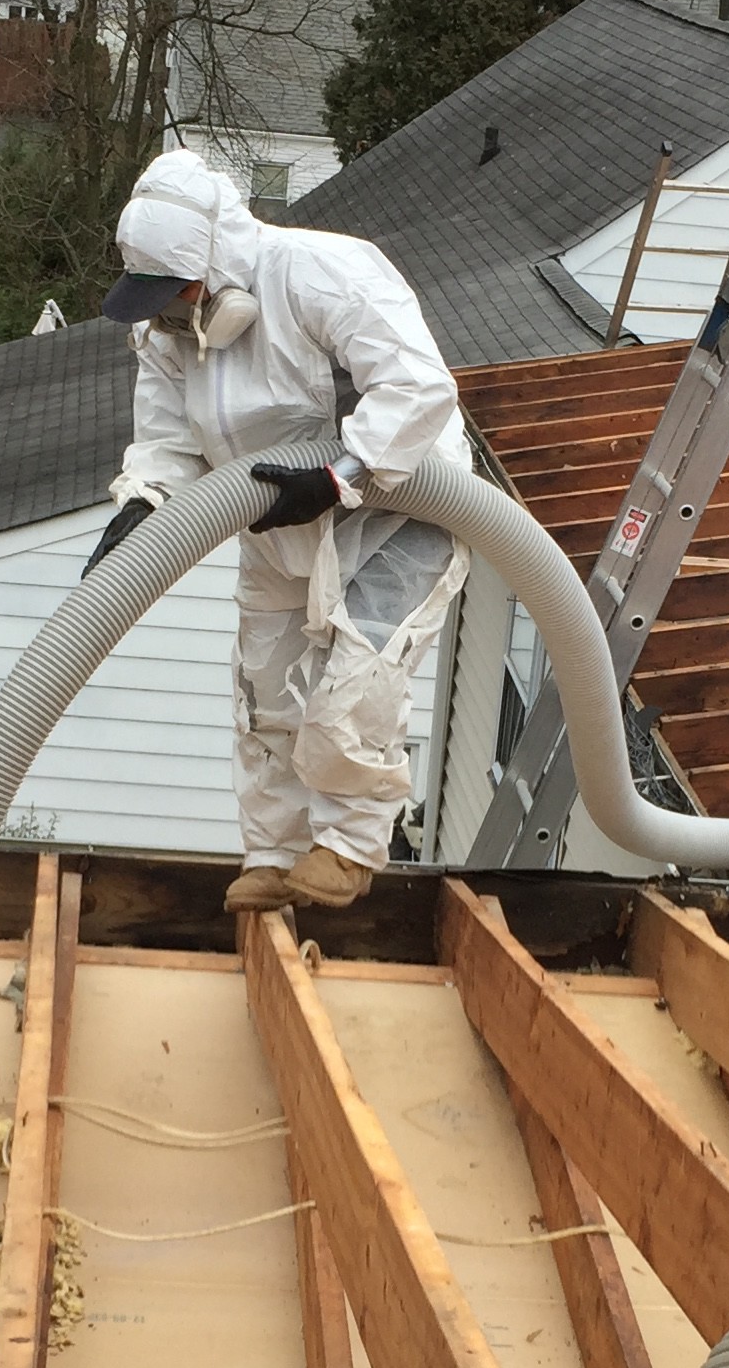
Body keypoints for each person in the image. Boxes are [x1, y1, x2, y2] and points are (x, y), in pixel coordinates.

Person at [91, 151, 470, 913]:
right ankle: (274, 855)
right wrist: (141, 505)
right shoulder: (168, 333)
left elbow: (417, 385)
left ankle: (350, 848)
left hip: (398, 508)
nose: (170, 310)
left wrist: (343, 474)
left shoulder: (318, 272)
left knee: (352, 687)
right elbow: (168, 441)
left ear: (215, 260)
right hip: (275, 518)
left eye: (177, 291)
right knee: (266, 697)